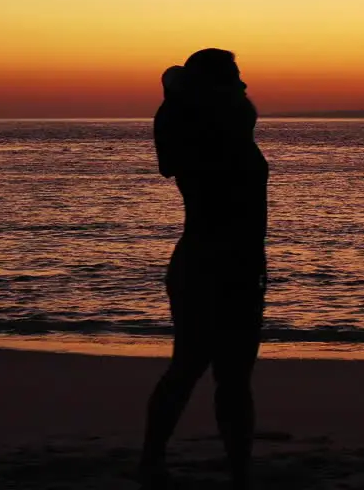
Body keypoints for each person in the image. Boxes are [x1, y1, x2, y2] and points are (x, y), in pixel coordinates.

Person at [140, 49, 270, 490]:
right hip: (206, 265)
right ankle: (153, 460)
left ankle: (239, 472)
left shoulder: (229, 126)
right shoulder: (201, 133)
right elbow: (169, 150)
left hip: (240, 267)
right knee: (191, 367)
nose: (244, 84)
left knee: (233, 378)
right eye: (234, 76)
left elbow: (238, 110)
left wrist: (181, 85)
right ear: (213, 88)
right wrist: (180, 89)